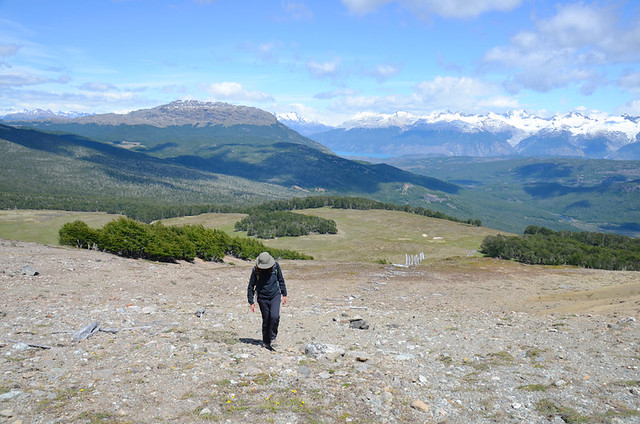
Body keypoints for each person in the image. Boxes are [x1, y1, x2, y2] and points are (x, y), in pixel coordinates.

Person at [247, 252, 287, 350]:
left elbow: (280, 279)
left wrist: (284, 293)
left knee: (274, 316)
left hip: (275, 295)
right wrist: (251, 301)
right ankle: (265, 341)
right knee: (266, 319)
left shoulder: (275, 267)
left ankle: (273, 338)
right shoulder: (256, 270)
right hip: (262, 297)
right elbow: (251, 286)